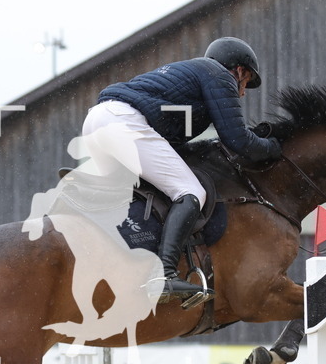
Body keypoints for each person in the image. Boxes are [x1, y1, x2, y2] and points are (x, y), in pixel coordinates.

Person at [82, 37, 282, 305]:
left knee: (149, 194)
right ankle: (163, 275)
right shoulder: (220, 75)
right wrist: (273, 147)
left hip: (97, 121)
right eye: (245, 82)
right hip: (123, 123)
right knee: (190, 191)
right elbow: (238, 140)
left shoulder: (192, 76)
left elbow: (176, 146)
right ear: (239, 70)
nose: (243, 92)